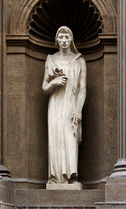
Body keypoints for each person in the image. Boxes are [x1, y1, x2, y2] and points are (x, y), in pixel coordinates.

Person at [42, 26, 86, 187]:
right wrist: (53, 82)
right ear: (57, 40)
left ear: (71, 39)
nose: (64, 40)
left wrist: (78, 109)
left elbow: (82, 89)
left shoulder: (79, 61)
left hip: (70, 105)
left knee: (70, 138)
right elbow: (44, 88)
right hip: (55, 105)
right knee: (56, 140)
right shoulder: (51, 59)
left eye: (67, 37)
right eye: (61, 37)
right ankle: (55, 177)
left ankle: (70, 177)